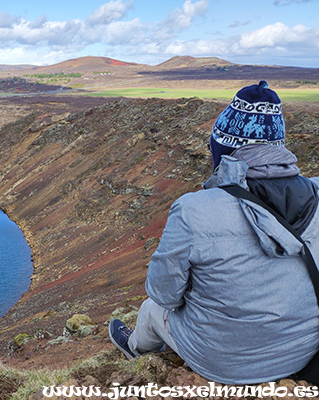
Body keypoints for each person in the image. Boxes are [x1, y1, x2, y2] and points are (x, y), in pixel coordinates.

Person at [109, 81, 319, 384]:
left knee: (151, 308)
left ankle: (135, 349)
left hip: (225, 362)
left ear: (225, 151)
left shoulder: (194, 210)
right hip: (303, 351)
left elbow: (163, 293)